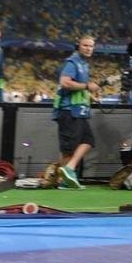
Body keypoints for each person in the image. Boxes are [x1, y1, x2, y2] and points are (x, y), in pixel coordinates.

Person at [52, 36, 100, 190]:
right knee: (68, 150)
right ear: (78, 46)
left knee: (88, 141)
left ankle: (69, 169)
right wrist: (87, 87)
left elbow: (79, 88)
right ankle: (64, 180)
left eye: (91, 46)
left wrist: (90, 97)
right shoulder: (72, 62)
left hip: (79, 111)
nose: (88, 48)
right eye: (85, 45)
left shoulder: (83, 64)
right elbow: (65, 83)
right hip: (68, 111)